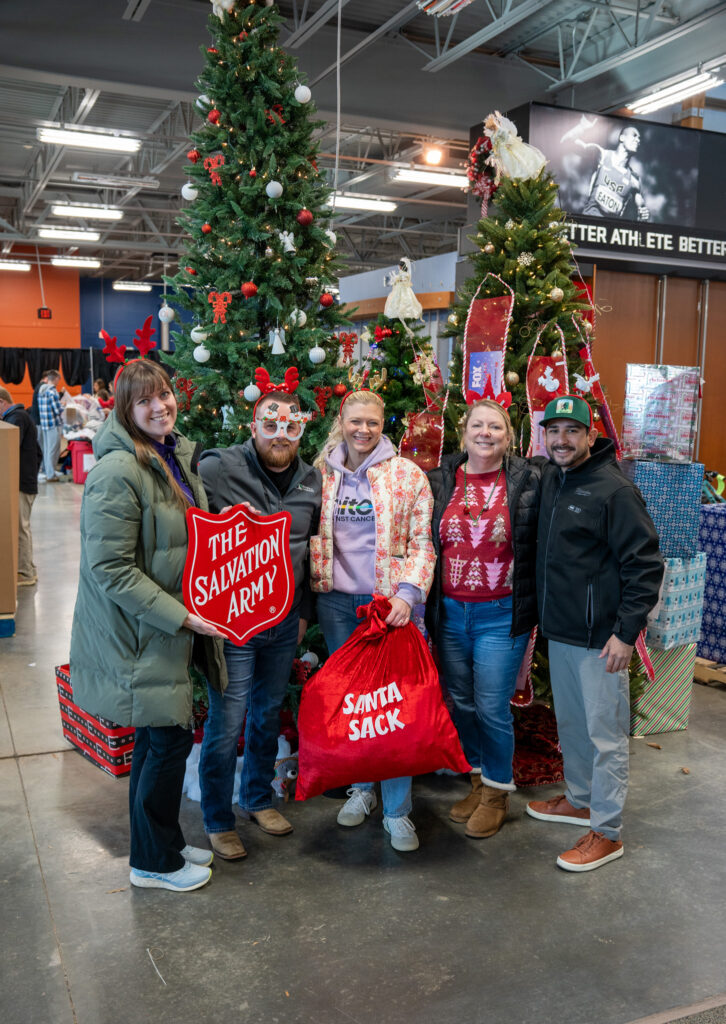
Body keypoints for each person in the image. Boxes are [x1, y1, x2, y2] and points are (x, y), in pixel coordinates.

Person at [70, 360, 228, 893]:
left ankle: (160, 841)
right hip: (140, 633)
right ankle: (152, 863)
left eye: (164, 395)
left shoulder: (172, 453)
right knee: (166, 742)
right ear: (125, 409)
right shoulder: (118, 471)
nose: (160, 406)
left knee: (159, 742)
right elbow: (109, 568)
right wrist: (181, 615)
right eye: (145, 401)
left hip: (167, 627)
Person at [526, 394, 663, 872]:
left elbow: (645, 566)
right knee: (573, 728)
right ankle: (581, 799)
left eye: (572, 431)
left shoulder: (613, 491)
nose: (561, 440)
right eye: (553, 430)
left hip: (601, 640)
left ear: (591, 436)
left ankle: (606, 832)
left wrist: (626, 634)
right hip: (560, 632)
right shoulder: (553, 480)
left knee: (605, 737)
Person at [197, 388, 321, 860]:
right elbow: (187, 523)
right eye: (270, 426)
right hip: (233, 623)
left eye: (291, 427)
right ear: (253, 428)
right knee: (227, 723)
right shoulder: (219, 468)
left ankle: (256, 799)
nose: (280, 436)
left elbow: (313, 550)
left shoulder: (312, 480)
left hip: (285, 620)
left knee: (267, 713)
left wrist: (304, 613)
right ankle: (217, 818)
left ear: (302, 429)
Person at [311, 386, 434, 852]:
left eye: (373, 423)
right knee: (353, 706)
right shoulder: (321, 475)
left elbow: (423, 542)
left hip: (386, 607)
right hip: (336, 604)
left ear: (385, 428)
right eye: (355, 421)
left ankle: (398, 811)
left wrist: (408, 593)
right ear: (341, 423)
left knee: (390, 708)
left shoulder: (408, 477)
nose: (363, 430)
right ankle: (362, 790)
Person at [426, 399, 539, 839]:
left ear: (508, 436)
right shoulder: (441, 480)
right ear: (465, 431)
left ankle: (496, 793)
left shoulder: (528, 479)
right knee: (461, 701)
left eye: (495, 426)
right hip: (450, 611)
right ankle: (478, 780)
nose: (486, 433)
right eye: (478, 425)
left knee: (492, 706)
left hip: (501, 612)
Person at [0, 386, 41, 586]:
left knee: (20, 528)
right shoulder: (20, 417)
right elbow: (38, 452)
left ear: (1, 402)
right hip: (26, 482)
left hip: (22, 484)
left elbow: (8, 448)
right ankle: (28, 568)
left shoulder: (15, 419)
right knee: (21, 526)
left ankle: (25, 573)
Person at [577, 125, 650, 221]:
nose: (638, 140)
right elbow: (569, 142)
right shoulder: (602, 155)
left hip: (610, 231)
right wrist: (582, 126)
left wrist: (644, 215)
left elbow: (642, 211)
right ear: (622, 138)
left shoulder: (634, 180)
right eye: (634, 135)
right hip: (588, 224)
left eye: (639, 138)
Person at [37, 369, 65, 482]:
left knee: (48, 449)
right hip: (53, 424)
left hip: (45, 424)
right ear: (56, 379)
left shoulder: (41, 390)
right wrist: (65, 407)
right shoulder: (52, 391)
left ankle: (49, 472)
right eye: (59, 379)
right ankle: (51, 474)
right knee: (53, 450)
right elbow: (57, 410)